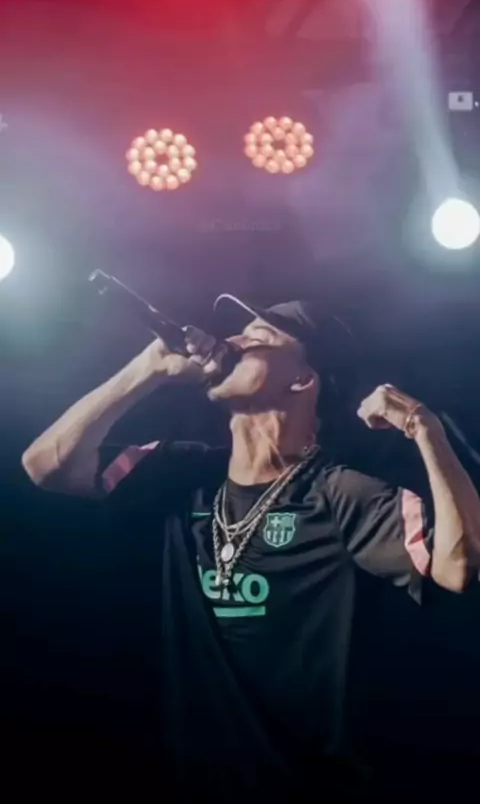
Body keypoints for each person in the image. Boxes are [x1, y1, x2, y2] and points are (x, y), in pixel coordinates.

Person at [22, 295, 480, 801]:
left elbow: (458, 565)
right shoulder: (182, 473)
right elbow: (46, 464)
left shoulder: (338, 492)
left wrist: (425, 428)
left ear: (302, 380)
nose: (235, 341)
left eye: (259, 337)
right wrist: (147, 368)